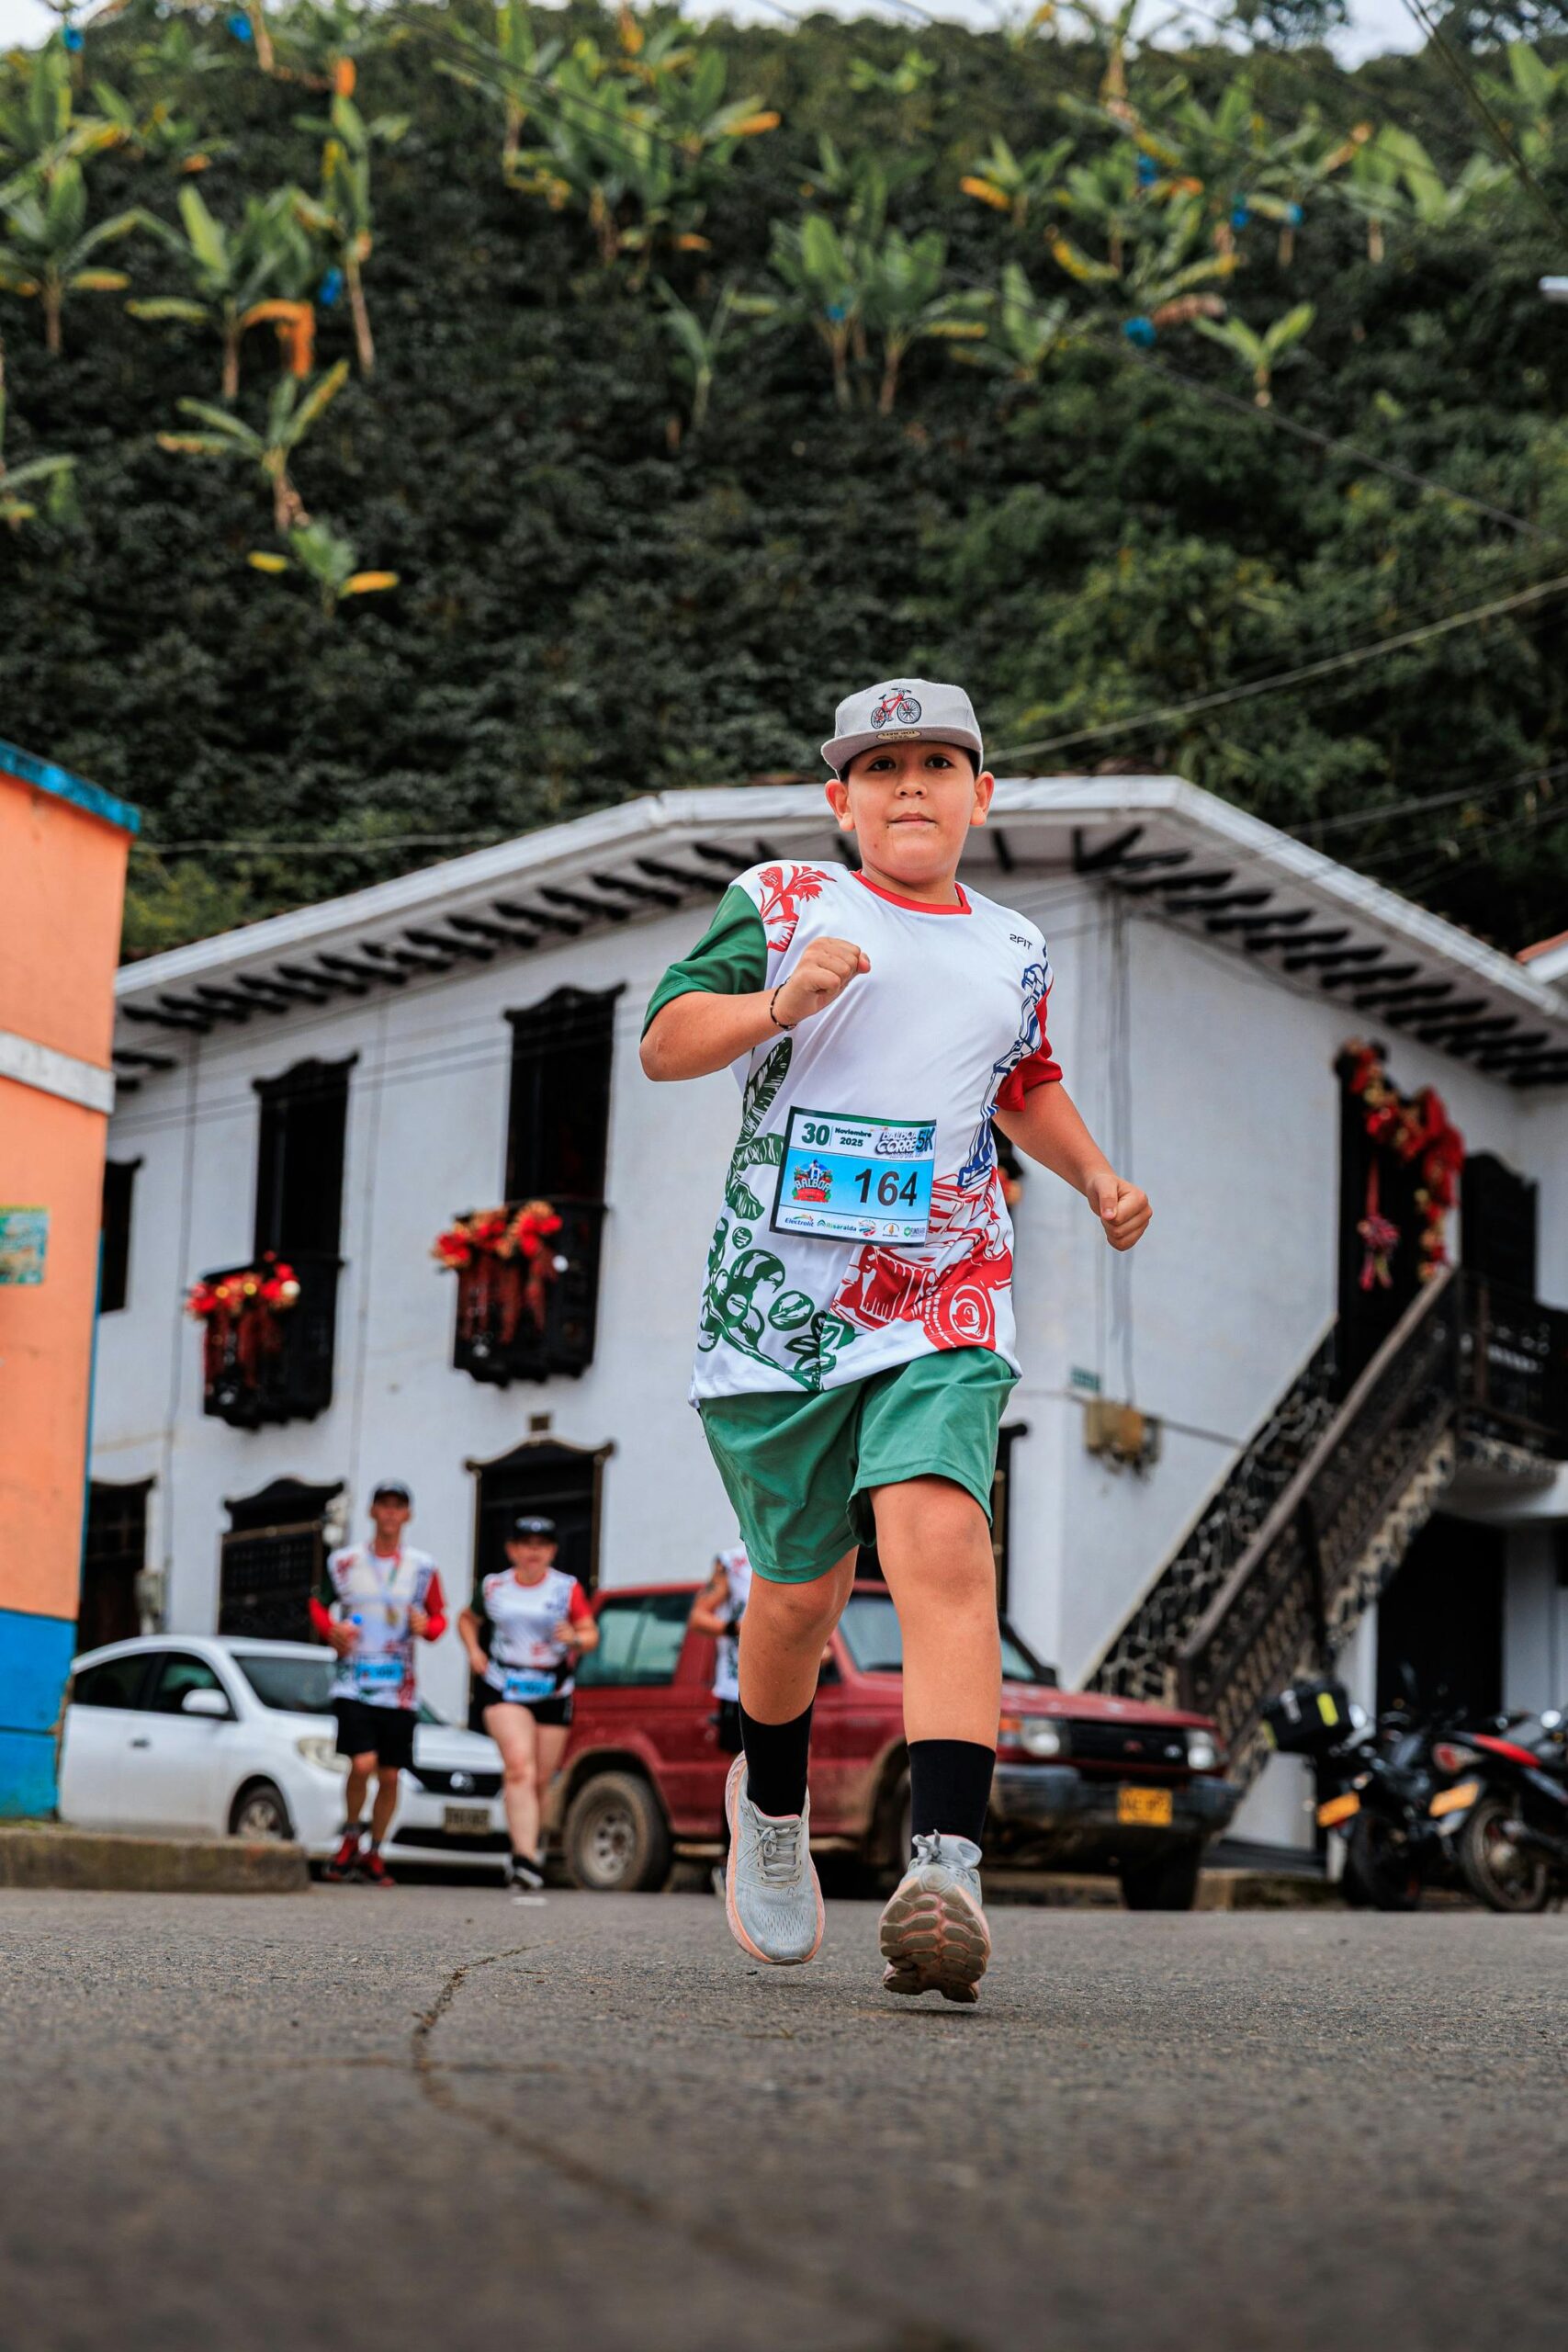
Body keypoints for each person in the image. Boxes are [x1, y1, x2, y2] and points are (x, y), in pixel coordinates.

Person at [640, 677, 1151, 2002]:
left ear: (982, 795)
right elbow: (662, 1041)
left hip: (944, 1282)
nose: (909, 784)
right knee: (799, 1597)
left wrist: (1093, 1177)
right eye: (880, 767)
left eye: (937, 761)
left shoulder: (1011, 947)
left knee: (938, 1533)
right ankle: (769, 1805)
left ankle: (945, 1866)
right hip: (780, 1311)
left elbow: (1021, 1082)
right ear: (837, 801)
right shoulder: (780, 902)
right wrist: (780, 1004)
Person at [310, 1481, 447, 1887]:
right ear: (372, 1512)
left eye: (398, 1507)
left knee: (389, 1775)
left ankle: (375, 1851)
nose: (390, 1514)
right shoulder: (345, 1562)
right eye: (384, 1506)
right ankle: (352, 1832)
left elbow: (439, 1618)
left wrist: (429, 1627)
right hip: (354, 1682)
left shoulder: (422, 1567)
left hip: (400, 1688)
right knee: (362, 1763)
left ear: (408, 1515)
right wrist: (331, 1629)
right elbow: (317, 1602)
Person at [457, 1514, 599, 1891]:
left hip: (551, 1688)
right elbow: (466, 1619)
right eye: (524, 1544)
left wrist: (575, 1637)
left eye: (541, 1545)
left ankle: (528, 1845)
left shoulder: (565, 1588)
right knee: (518, 1767)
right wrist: (474, 1651)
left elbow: (590, 1633)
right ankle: (524, 1859)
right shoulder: (493, 1587)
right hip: (504, 1684)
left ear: (551, 1550)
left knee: (539, 1779)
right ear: (512, 1549)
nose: (532, 1552)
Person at [688, 1543, 752, 1892]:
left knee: (786, 1770)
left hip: (784, 1682)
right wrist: (735, 1628)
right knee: (742, 1772)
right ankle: (729, 1862)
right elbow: (699, 1616)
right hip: (737, 1685)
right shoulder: (732, 1563)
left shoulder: (798, 1548)